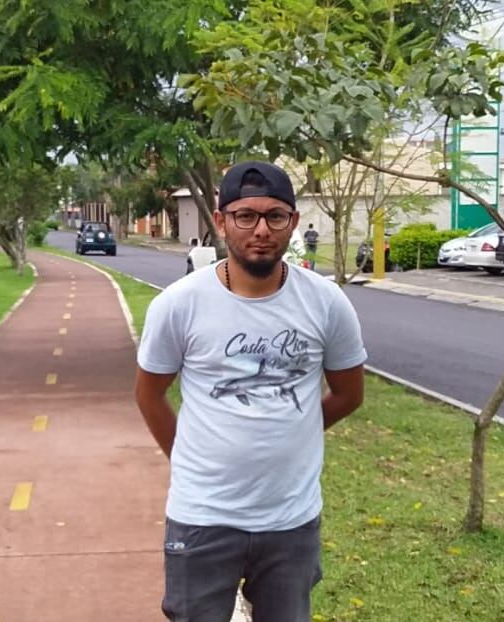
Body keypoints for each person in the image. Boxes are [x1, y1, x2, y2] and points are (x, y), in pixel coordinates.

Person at [135, 161, 367, 622]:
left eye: (275, 216)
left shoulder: (326, 302)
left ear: (293, 222)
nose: (261, 230)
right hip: (203, 517)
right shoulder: (178, 304)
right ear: (221, 222)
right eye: (245, 216)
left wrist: (296, 430)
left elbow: (349, 394)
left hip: (290, 520)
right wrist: (187, 457)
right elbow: (149, 395)